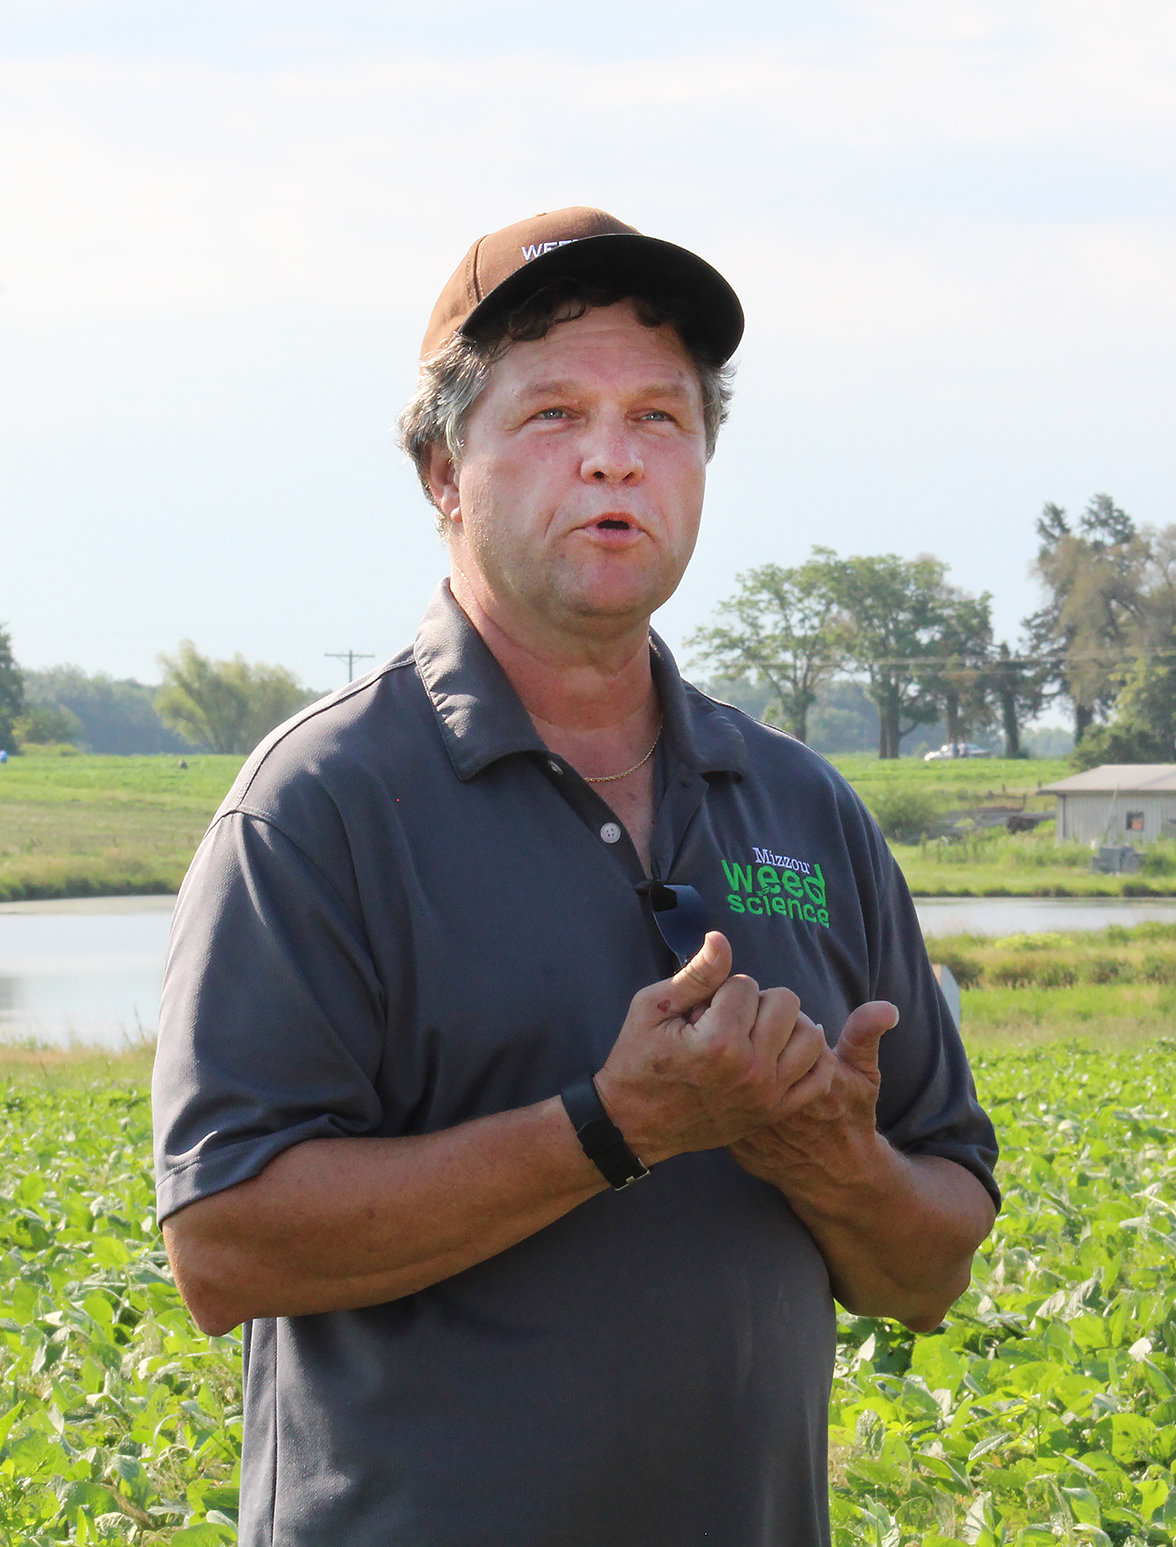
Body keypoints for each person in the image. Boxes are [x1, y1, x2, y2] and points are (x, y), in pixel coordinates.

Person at [153, 206, 998, 1547]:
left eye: (660, 419)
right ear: (444, 470)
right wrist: (612, 1127)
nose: (614, 458)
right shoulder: (322, 805)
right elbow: (226, 1248)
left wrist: (832, 1161)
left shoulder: (802, 809)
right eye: (552, 416)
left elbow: (934, 1266)